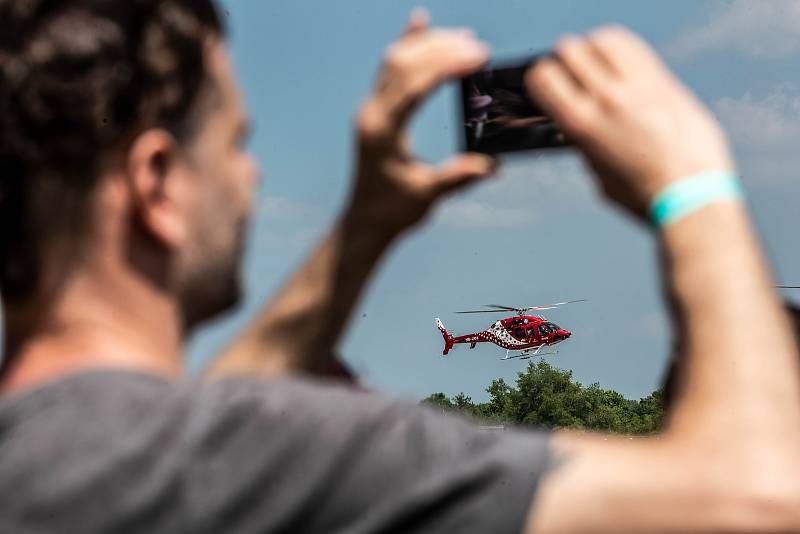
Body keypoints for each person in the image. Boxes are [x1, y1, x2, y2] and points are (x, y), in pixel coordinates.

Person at [0, 2, 798, 532]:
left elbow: (206, 446)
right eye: (237, 146)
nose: (254, 177)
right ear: (156, 183)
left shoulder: (66, 459)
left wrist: (364, 228)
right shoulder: (252, 452)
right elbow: (760, 496)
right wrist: (695, 184)